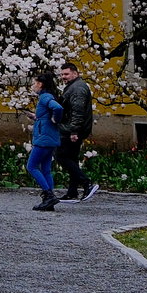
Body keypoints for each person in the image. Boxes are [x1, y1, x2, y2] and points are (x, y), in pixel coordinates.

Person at [55, 60, 98, 202]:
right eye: (62, 74)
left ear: (75, 73)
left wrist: (74, 131)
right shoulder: (74, 87)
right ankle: (72, 192)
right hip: (74, 128)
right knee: (72, 158)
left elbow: (77, 112)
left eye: (66, 74)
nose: (63, 77)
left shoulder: (77, 89)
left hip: (72, 130)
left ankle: (86, 183)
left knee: (62, 156)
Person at [27, 69, 64, 210]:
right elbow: (48, 113)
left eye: (35, 83)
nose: (34, 85)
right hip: (50, 138)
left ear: (41, 84)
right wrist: (36, 117)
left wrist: (56, 119)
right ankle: (50, 200)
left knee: (31, 166)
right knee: (46, 169)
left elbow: (58, 108)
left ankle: (48, 195)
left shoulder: (45, 97)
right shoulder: (47, 96)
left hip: (43, 139)